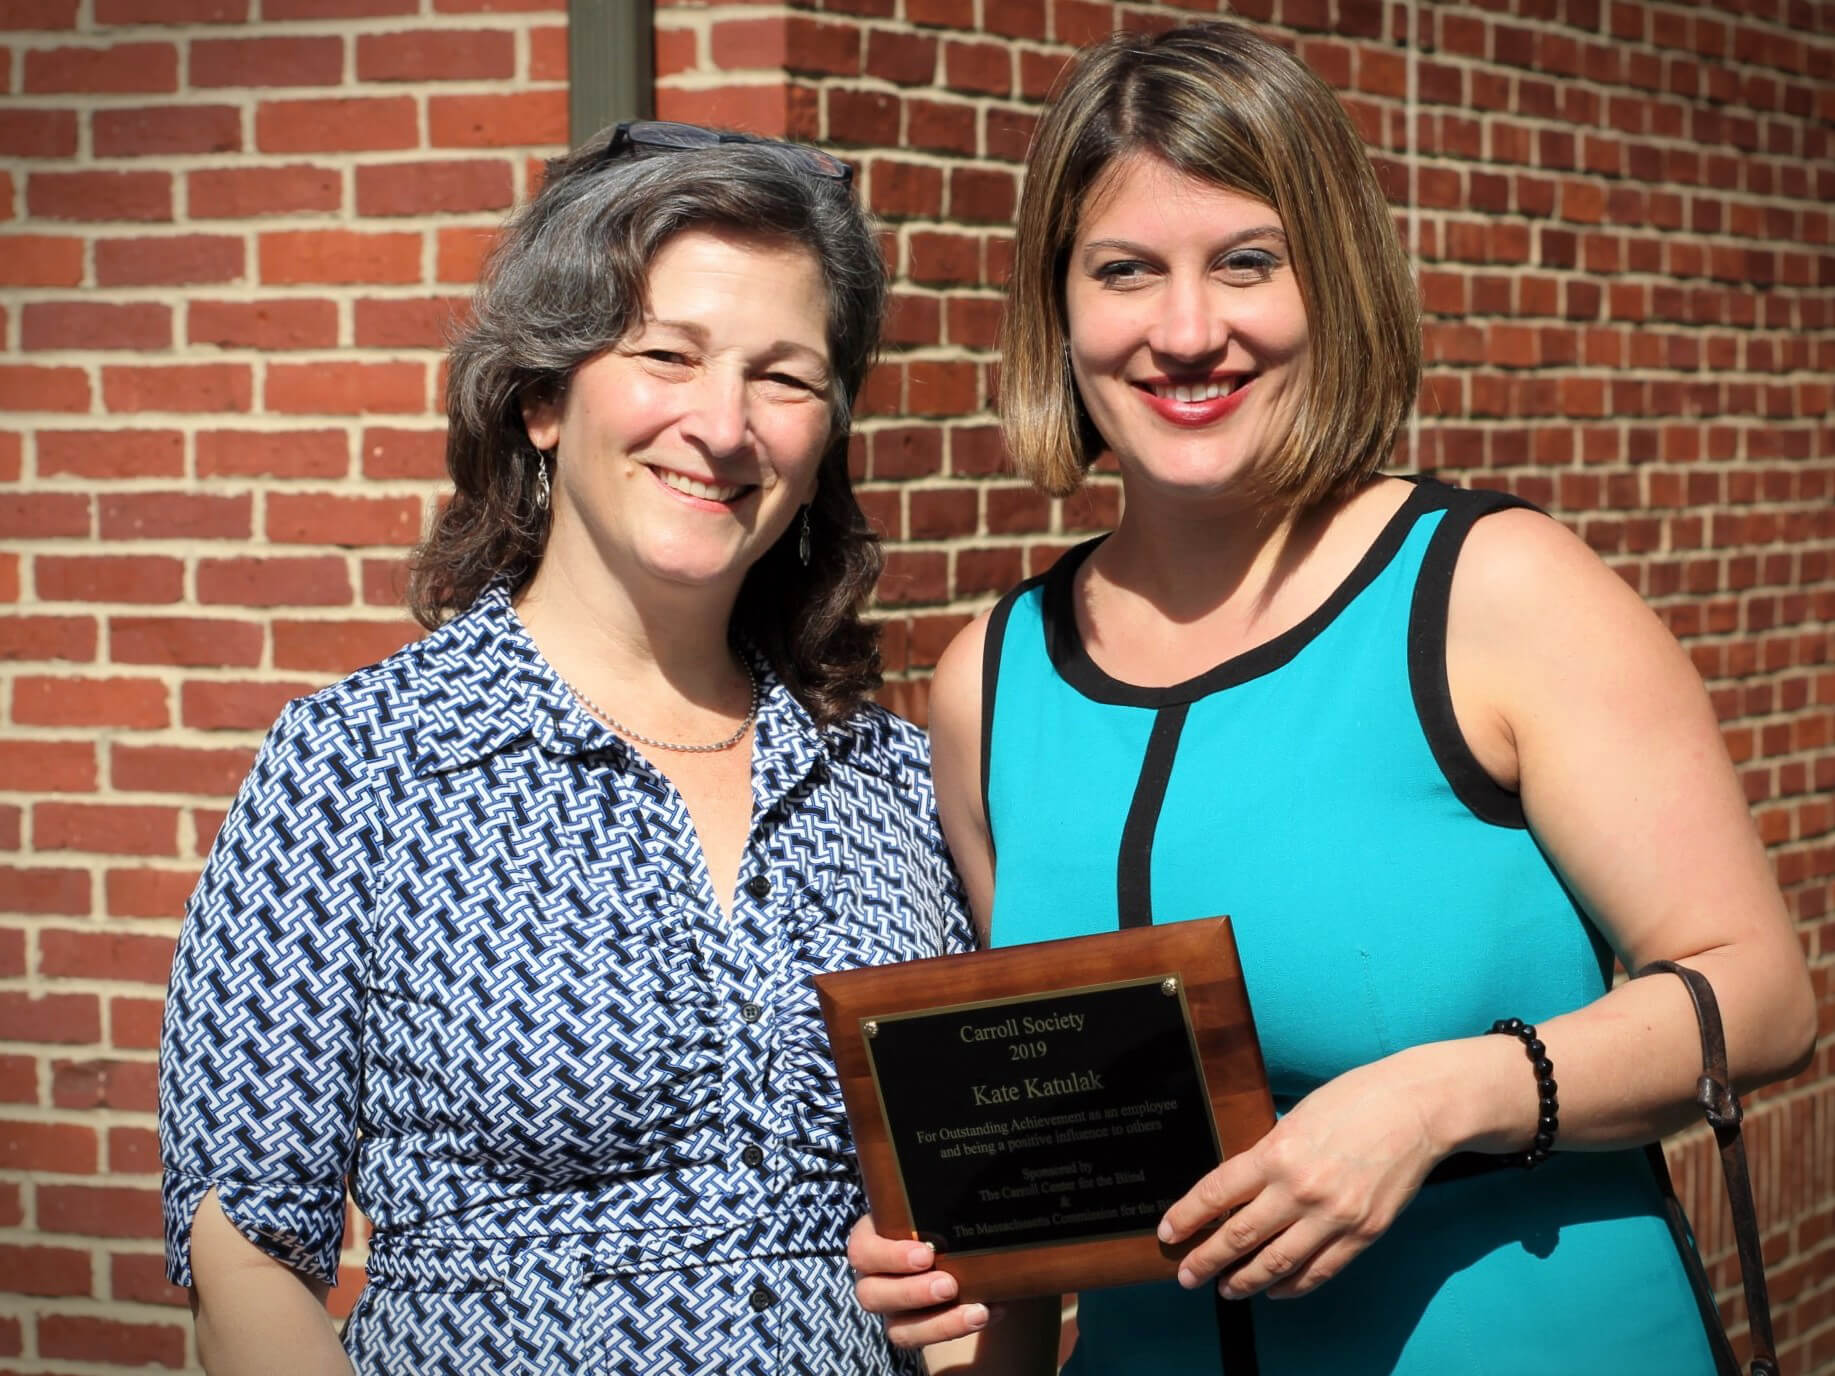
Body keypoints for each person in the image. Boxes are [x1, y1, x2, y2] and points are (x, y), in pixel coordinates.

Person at [848, 23, 1816, 1376]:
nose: (1185, 332)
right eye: (1124, 271)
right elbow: (1033, 1180)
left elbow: (1758, 995)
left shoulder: (1490, 593)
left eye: (1245, 261)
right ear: (1058, 315)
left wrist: (1442, 1097)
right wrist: (960, 1289)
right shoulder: (990, 681)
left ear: (1333, 281)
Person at [158, 121, 971, 1376]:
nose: (722, 422)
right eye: (666, 355)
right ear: (541, 398)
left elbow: (982, 1227)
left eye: (785, 376)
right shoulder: (358, 765)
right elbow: (245, 1245)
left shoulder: (892, 780)